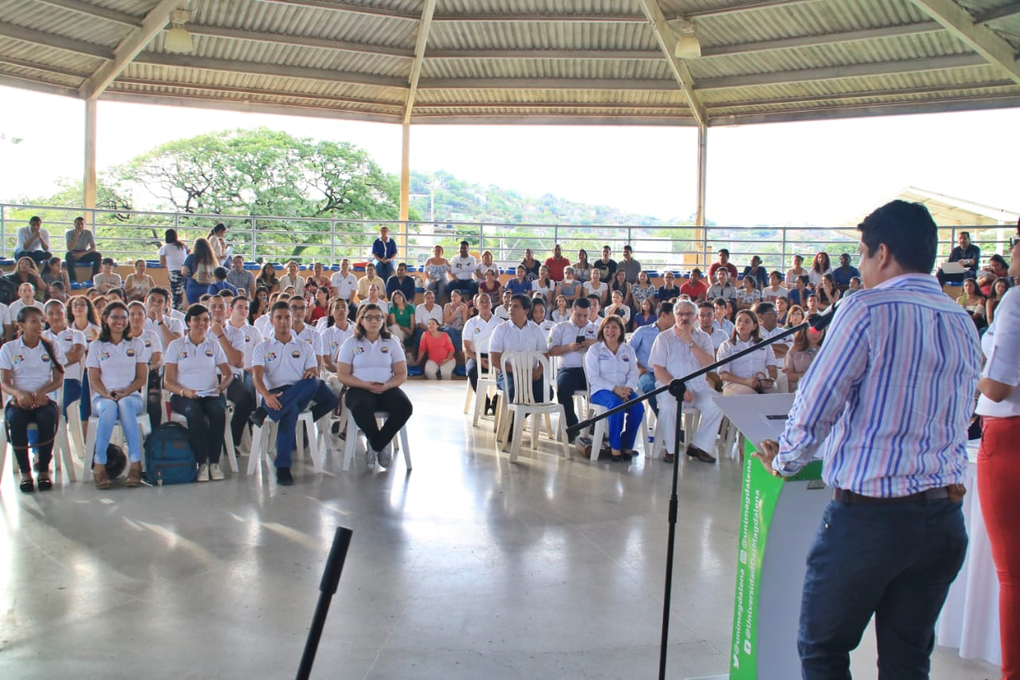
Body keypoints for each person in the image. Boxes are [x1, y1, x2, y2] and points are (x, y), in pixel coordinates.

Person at [754, 200, 981, 679]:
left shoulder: (866, 307)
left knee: (822, 650)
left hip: (871, 520)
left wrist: (786, 461)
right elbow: (961, 414)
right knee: (907, 661)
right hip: (941, 519)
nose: (859, 267)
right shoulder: (960, 319)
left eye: (860, 254)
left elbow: (818, 402)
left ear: (883, 252)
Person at [975, 233, 1020, 680]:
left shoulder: (1016, 301)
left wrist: (973, 371)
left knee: (1013, 574)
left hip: (1009, 435)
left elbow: (999, 385)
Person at [251, 301, 338, 486]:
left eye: (287, 317)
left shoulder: (304, 346)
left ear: (292, 319)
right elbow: (257, 376)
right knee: (290, 412)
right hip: (276, 393)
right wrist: (266, 395)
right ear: (272, 320)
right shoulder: (262, 348)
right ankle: (283, 467)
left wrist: (311, 373)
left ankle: (267, 411)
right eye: (279, 318)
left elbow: (314, 370)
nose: (283, 321)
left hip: (302, 388)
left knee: (324, 391)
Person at [163, 304, 233, 482]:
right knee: (194, 414)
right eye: (196, 319)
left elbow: (228, 373)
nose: (201, 323)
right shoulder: (176, 346)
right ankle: (201, 462)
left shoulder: (213, 345)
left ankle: (214, 462)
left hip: (210, 393)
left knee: (218, 412)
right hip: (183, 395)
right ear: (188, 322)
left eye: (205, 320)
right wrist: (184, 391)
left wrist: (220, 388)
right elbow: (168, 381)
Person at [336, 304, 412, 468]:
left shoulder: (391, 342)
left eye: (378, 317)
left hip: (386, 387)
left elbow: (401, 373)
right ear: (361, 320)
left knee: (404, 407)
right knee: (362, 406)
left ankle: (376, 443)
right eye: (369, 317)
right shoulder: (351, 343)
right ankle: (380, 444)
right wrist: (364, 384)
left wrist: (388, 385)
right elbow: (342, 374)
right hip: (358, 388)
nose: (374, 321)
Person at [649, 299, 724, 464]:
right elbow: (658, 369)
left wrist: (689, 341)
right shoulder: (664, 338)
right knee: (669, 407)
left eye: (689, 314)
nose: (684, 318)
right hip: (670, 386)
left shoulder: (703, 338)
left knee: (717, 404)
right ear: (675, 316)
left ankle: (699, 446)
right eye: (680, 314)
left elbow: (709, 364)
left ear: (696, 317)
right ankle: (671, 450)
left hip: (699, 386)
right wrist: (679, 389)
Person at [85, 301, 148, 489]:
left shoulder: (136, 344)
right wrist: (107, 394)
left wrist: (126, 392)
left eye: (123, 317)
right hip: (103, 398)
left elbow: (141, 377)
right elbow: (94, 379)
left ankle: (135, 464)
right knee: (111, 406)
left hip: (131, 397)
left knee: (125, 404)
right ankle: (99, 463)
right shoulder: (97, 346)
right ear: (105, 319)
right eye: (114, 317)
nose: (119, 321)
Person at [584, 315, 644, 462]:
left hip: (625, 390)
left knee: (638, 408)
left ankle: (627, 445)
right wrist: (615, 389)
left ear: (621, 331)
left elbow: (633, 373)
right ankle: (615, 448)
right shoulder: (595, 350)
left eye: (615, 327)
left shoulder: (628, 350)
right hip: (601, 391)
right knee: (616, 406)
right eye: (607, 327)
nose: (610, 331)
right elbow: (593, 377)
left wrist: (627, 389)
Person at [548, 297, 598, 441]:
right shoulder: (560, 328)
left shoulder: (596, 329)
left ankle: (596, 423)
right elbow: (551, 351)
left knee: (602, 389)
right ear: (572, 311)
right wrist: (569, 347)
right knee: (563, 389)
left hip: (590, 371)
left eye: (585, 316)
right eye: (578, 315)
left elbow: (607, 347)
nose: (582, 319)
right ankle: (572, 425)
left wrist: (593, 343)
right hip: (568, 370)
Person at [488, 294, 549, 406]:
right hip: (508, 373)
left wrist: (538, 372)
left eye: (516, 306)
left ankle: (520, 417)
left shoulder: (536, 330)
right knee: (515, 393)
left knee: (547, 393)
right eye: (510, 305)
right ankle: (513, 422)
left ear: (525, 311)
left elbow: (545, 356)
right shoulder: (500, 330)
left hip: (531, 373)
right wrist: (517, 371)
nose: (511, 309)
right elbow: (494, 360)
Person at [716, 310, 778, 395]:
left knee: (775, 395)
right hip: (734, 384)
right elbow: (723, 375)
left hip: (759, 383)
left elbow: (772, 368)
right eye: (739, 320)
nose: (742, 324)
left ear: (754, 326)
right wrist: (745, 381)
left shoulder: (764, 344)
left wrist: (769, 380)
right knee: (750, 395)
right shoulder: (726, 345)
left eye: (747, 321)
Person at [630, 302, 674, 416]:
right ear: (664, 315)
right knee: (652, 388)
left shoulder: (675, 335)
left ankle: (671, 424)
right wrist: (638, 366)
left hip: (669, 375)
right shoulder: (643, 331)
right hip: (647, 373)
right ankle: (665, 423)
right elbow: (626, 351)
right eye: (674, 315)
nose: (677, 320)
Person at [44, 299, 86, 419]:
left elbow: (75, 355)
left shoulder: (77, 334)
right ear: (45, 317)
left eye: (59, 312)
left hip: (70, 380)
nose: (55, 316)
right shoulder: (41, 337)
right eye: (51, 313)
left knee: (66, 407)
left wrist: (50, 362)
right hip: (46, 383)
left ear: (65, 314)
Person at [463, 293, 501, 405]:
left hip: (497, 358)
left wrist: (496, 360)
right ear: (476, 305)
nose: (484, 304)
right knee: (472, 370)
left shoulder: (500, 323)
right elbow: (465, 347)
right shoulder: (471, 323)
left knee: (509, 372)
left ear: (491, 304)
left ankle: (496, 402)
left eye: (487, 301)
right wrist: (479, 359)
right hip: (476, 357)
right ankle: (484, 402)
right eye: (481, 302)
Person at [783, 320, 825, 392]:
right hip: (798, 391)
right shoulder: (794, 351)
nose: (817, 334)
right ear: (805, 330)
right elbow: (787, 376)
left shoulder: (826, 350)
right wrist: (810, 376)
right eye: (814, 331)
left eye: (821, 331)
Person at [158, 229, 190, 310]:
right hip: (186, 271)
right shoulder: (182, 246)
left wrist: (169, 264)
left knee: (176, 297)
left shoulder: (165, 248)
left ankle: (176, 313)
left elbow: (162, 263)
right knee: (185, 294)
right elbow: (189, 254)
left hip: (175, 273)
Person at [64, 216, 102, 282]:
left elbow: (93, 247)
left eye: (82, 224)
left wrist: (82, 254)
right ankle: (73, 279)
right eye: (78, 224)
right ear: (74, 224)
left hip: (84, 253)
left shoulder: (88, 233)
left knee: (97, 255)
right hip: (74, 253)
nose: (80, 226)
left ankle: (93, 278)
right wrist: (76, 237)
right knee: (68, 255)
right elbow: (69, 247)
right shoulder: (69, 233)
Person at [181, 238, 218, 305]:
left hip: (193, 288)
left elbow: (184, 272)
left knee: (195, 309)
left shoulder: (191, 257)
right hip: (208, 289)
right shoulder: (212, 259)